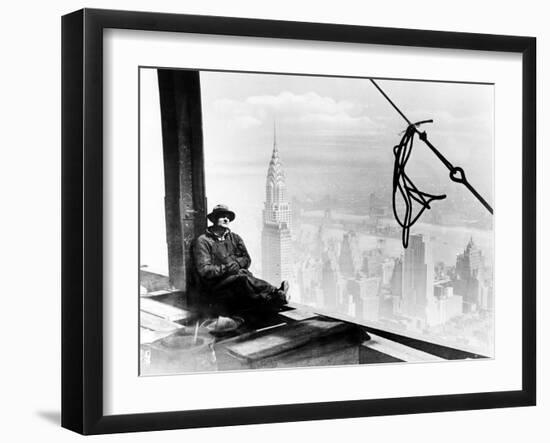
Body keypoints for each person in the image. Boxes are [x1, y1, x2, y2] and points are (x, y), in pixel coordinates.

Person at [193, 204, 289, 313]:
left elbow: (247, 259)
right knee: (242, 279)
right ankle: (275, 296)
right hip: (217, 284)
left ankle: (275, 295)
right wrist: (227, 268)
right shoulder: (203, 241)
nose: (226, 219)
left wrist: (237, 264)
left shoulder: (235, 238)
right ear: (214, 219)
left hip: (237, 278)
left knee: (243, 278)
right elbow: (205, 270)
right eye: (222, 216)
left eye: (228, 217)